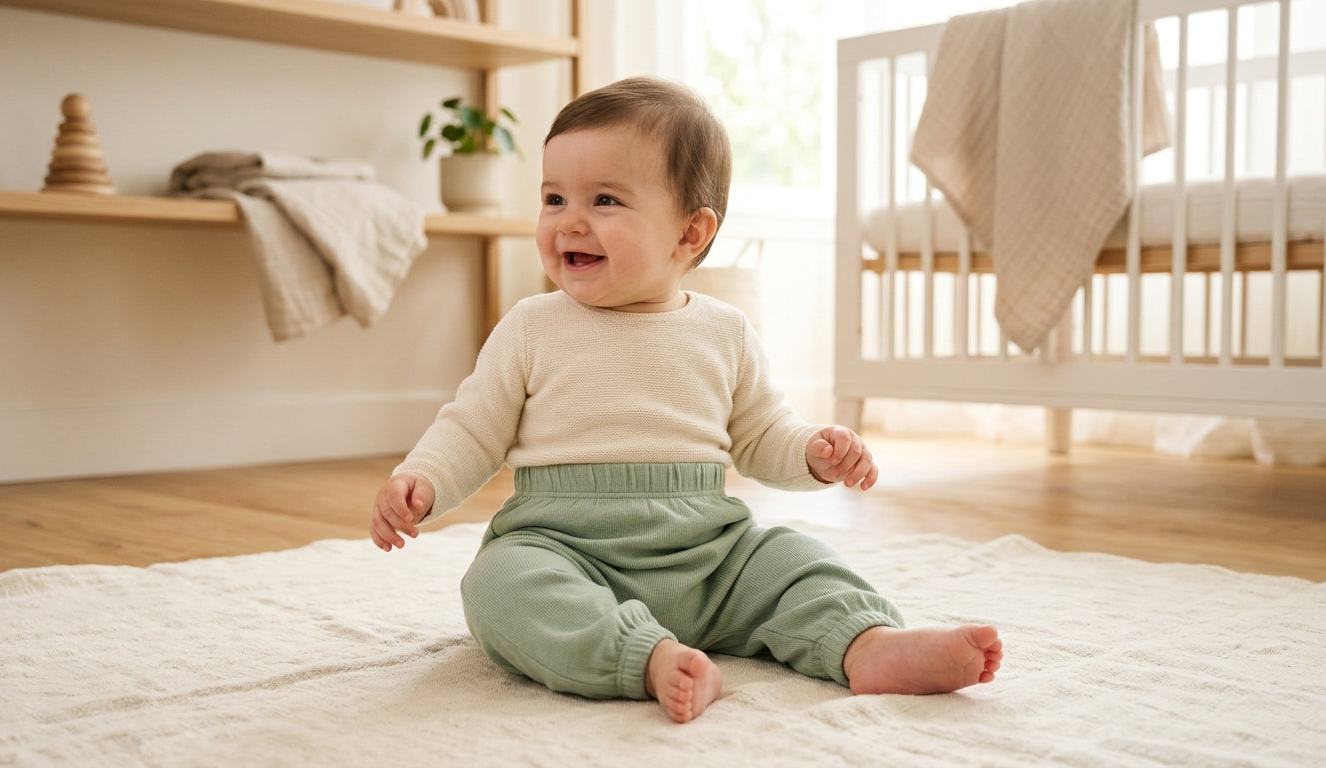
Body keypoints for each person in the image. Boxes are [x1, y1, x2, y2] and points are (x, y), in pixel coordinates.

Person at [370, 76, 1002, 724]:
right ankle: (643, 657)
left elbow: (761, 435)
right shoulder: (532, 327)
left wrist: (812, 453)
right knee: (497, 586)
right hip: (564, 547)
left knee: (793, 560)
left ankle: (867, 644)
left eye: (605, 199)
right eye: (554, 198)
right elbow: (472, 428)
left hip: (709, 557)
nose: (570, 221)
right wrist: (421, 481)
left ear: (690, 233)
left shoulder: (724, 332)